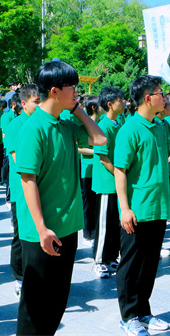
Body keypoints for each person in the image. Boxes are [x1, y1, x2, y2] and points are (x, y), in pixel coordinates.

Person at [15, 60, 106, 335]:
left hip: (67, 227)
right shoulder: (33, 128)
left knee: (56, 301)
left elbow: (100, 139)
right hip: (41, 232)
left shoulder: (64, 124)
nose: (77, 92)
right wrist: (42, 228)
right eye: (72, 87)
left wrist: (76, 109)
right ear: (54, 91)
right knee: (35, 307)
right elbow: (28, 180)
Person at [114, 76, 170, 336]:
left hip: (158, 207)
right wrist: (124, 209)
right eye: (161, 93)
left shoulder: (160, 126)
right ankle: (128, 316)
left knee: (149, 264)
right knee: (131, 265)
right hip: (137, 210)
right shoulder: (130, 130)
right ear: (148, 98)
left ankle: (144, 312)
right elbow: (120, 170)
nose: (165, 98)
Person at [4, 85, 39, 298]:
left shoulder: (42, 123)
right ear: (24, 104)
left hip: (41, 189)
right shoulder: (16, 126)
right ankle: (19, 276)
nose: (40, 105)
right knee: (21, 235)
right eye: (36, 101)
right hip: (21, 191)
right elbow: (19, 160)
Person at [92, 86, 125, 279]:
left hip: (116, 183)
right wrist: (119, 174)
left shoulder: (118, 123)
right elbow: (103, 158)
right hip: (106, 184)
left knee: (114, 224)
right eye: (121, 100)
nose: (124, 102)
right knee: (104, 225)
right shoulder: (103, 126)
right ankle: (99, 261)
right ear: (110, 104)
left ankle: (111, 257)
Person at [79, 95, 100, 246]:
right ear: (94, 107)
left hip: (99, 169)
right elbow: (78, 148)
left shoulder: (101, 124)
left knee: (97, 203)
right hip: (88, 169)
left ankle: (96, 231)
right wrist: (96, 152)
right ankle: (88, 234)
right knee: (88, 202)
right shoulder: (86, 125)